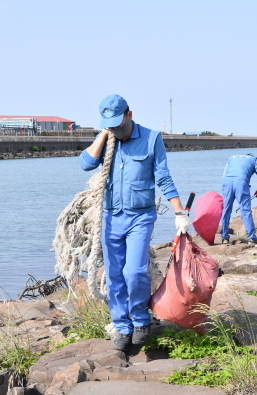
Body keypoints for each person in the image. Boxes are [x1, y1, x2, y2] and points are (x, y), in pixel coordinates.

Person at [79, 94, 189, 351]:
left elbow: (163, 177)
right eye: (111, 124)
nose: (117, 128)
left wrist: (179, 213)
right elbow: (85, 164)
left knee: (135, 271)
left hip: (140, 217)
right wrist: (104, 135)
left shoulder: (151, 139)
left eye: (119, 123)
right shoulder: (108, 141)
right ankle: (122, 325)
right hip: (111, 216)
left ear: (130, 114)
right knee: (115, 274)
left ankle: (140, 320)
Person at [220, 154, 257, 244]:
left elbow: (224, 176)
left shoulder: (231, 158)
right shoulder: (254, 159)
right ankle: (251, 237)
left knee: (226, 209)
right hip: (241, 182)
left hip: (227, 182)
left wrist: (224, 189)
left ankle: (225, 237)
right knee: (245, 210)